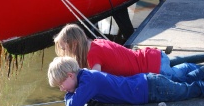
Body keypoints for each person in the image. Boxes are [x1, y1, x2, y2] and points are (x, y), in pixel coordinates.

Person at [54, 23, 202, 83]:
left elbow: (95, 78)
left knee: (184, 76)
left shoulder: (92, 55)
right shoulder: (96, 42)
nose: (65, 52)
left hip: (154, 68)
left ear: (74, 44)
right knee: (179, 64)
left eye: (64, 48)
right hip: (152, 56)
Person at [47, 56, 204, 106]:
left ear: (70, 75)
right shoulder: (86, 76)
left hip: (150, 89)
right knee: (184, 82)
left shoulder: (88, 82)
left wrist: (68, 94)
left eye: (61, 84)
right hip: (147, 82)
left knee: (188, 90)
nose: (62, 89)